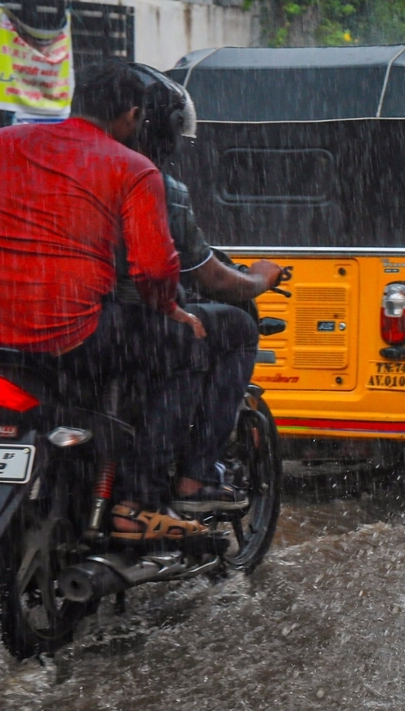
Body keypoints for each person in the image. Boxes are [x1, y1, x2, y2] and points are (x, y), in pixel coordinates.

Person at [0, 61, 208, 541]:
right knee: (186, 349)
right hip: (73, 334)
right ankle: (139, 500)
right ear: (133, 115)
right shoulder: (134, 166)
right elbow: (154, 269)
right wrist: (171, 310)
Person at [117, 64, 285, 512]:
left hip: (49, 325)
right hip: (124, 326)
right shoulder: (152, 182)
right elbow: (202, 274)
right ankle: (194, 479)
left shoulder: (47, 163)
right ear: (160, 127)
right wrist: (258, 281)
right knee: (229, 331)